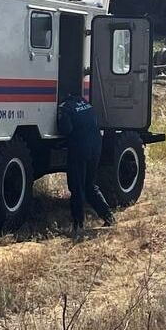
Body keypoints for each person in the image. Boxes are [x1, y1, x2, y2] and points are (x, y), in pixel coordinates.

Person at [57, 92, 115, 234]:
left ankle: (78, 224)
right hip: (96, 146)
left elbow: (66, 129)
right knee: (90, 185)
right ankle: (108, 217)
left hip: (79, 148)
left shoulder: (65, 107)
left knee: (77, 187)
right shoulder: (85, 103)